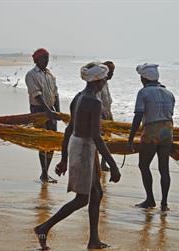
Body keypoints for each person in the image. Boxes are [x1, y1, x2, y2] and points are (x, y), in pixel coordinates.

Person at [34, 62, 121, 250]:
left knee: (97, 193)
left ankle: (94, 240)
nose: (106, 81)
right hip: (84, 149)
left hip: (77, 144)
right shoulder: (95, 102)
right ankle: (44, 227)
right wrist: (113, 165)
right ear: (98, 80)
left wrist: (64, 157)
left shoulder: (79, 97)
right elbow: (97, 137)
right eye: (105, 78)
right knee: (83, 198)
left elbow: (68, 130)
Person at [127, 63, 175, 212]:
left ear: (144, 78)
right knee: (164, 169)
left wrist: (130, 139)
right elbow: (171, 113)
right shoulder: (169, 93)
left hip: (152, 130)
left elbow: (139, 116)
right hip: (168, 130)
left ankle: (150, 199)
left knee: (143, 165)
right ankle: (164, 203)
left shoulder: (143, 93)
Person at [25, 48, 60, 183]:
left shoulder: (50, 75)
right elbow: (37, 95)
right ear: (36, 60)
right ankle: (44, 172)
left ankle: (46, 171)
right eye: (43, 58)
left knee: (52, 142)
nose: (46, 61)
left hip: (51, 110)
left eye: (47, 58)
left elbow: (56, 94)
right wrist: (48, 111)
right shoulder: (31, 75)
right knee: (42, 141)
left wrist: (57, 112)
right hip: (38, 110)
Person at [98, 61, 115, 171]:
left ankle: (103, 163)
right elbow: (97, 102)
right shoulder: (98, 84)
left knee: (107, 140)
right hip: (100, 117)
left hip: (107, 115)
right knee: (99, 141)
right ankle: (98, 163)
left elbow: (108, 101)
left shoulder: (106, 84)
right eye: (111, 72)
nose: (112, 74)